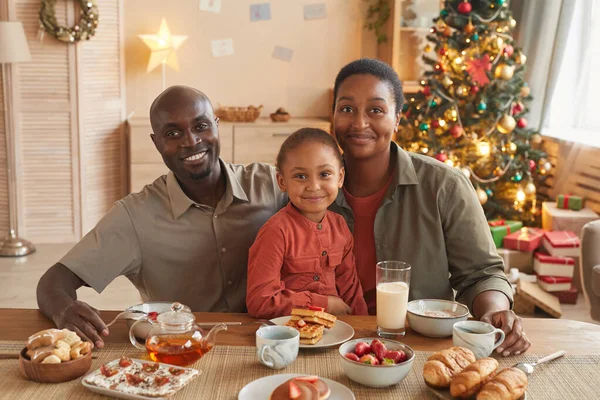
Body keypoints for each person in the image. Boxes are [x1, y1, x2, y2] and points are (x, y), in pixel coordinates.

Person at [36, 86, 287, 348]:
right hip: (180, 354)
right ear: (156, 143)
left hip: (272, 344)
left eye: (201, 126)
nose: (191, 141)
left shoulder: (270, 185)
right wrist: (63, 309)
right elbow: (53, 282)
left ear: (216, 126)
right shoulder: (135, 216)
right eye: (173, 133)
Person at [330, 58, 530, 356]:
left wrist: (494, 312)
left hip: (421, 348)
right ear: (332, 115)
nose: (360, 123)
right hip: (328, 341)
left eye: (376, 110)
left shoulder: (444, 186)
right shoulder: (309, 188)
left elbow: (481, 273)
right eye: (347, 109)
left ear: (397, 118)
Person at [246, 128, 368, 319]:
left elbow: (351, 291)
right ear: (282, 181)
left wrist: (364, 329)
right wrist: (323, 305)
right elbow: (260, 301)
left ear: (340, 177)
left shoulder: (340, 227)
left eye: (325, 174)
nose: (313, 186)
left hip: (337, 333)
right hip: (289, 335)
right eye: (301, 176)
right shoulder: (276, 232)